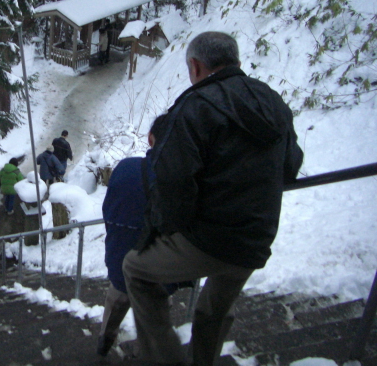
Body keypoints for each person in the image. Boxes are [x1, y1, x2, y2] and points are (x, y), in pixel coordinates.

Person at [122, 31, 304, 366]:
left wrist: (166, 229)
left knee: (135, 268)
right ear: (236, 61)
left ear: (195, 65)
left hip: (210, 239)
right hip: (256, 238)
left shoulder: (195, 106)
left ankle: (165, 359)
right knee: (214, 307)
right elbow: (291, 165)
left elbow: (173, 180)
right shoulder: (272, 101)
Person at [97, 116, 189, 357]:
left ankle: (104, 342)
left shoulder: (126, 169)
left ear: (150, 139)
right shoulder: (184, 180)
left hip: (121, 263)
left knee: (115, 303)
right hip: (162, 271)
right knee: (157, 312)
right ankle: (152, 351)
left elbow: (108, 210)